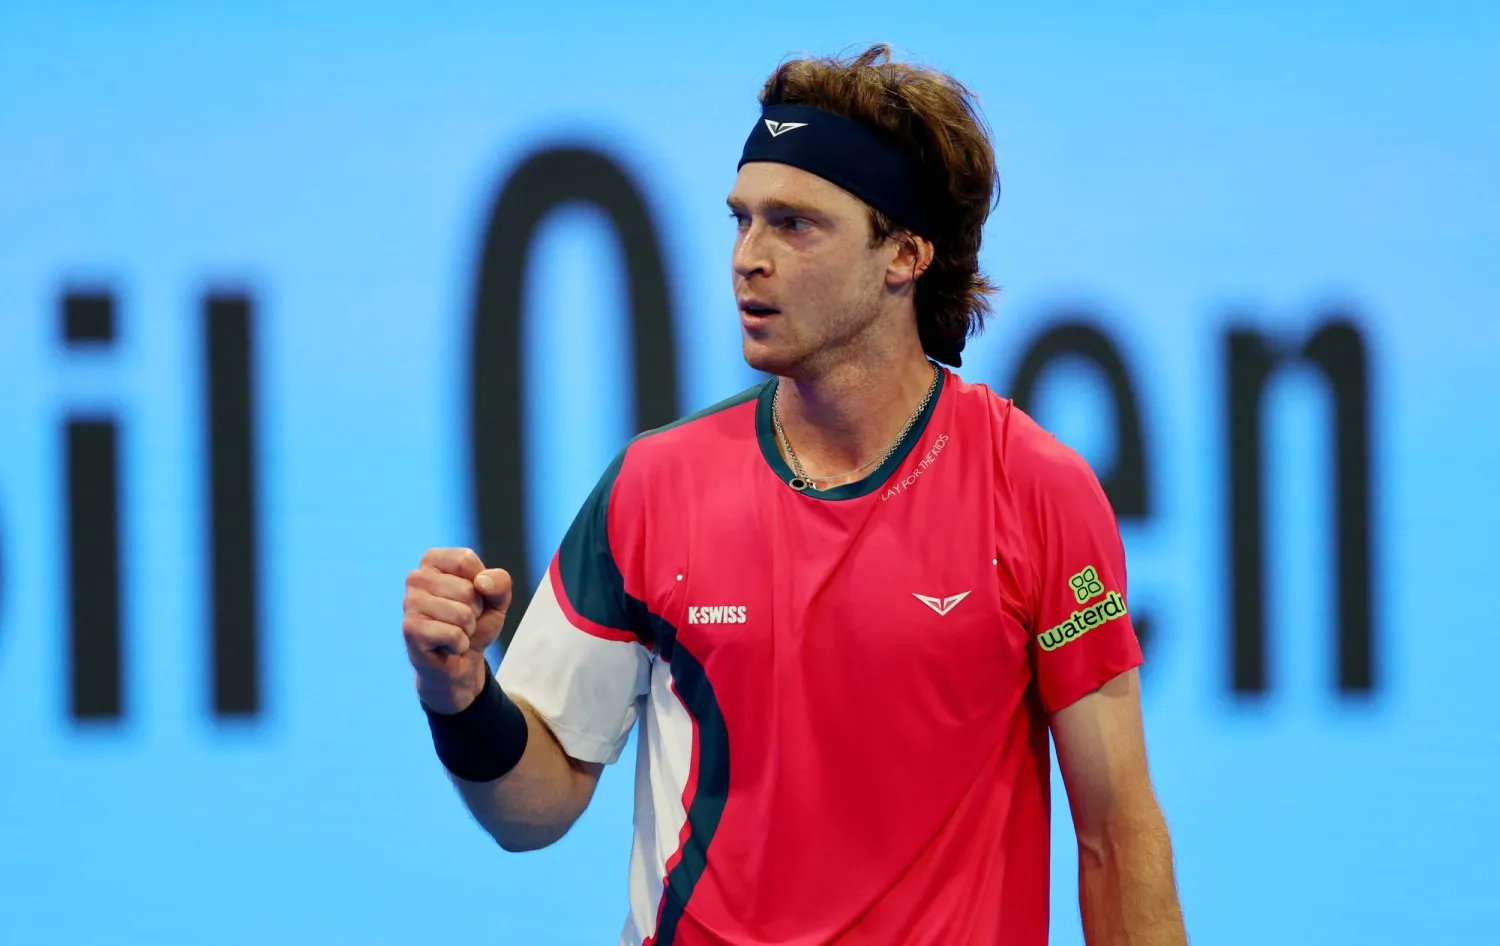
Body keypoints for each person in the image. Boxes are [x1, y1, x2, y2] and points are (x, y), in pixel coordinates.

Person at [402, 44, 1188, 946]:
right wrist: (458, 694)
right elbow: (533, 808)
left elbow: (1116, 839)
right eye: (741, 221)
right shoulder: (652, 487)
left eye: (794, 225)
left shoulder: (1037, 490)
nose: (748, 258)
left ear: (905, 253)